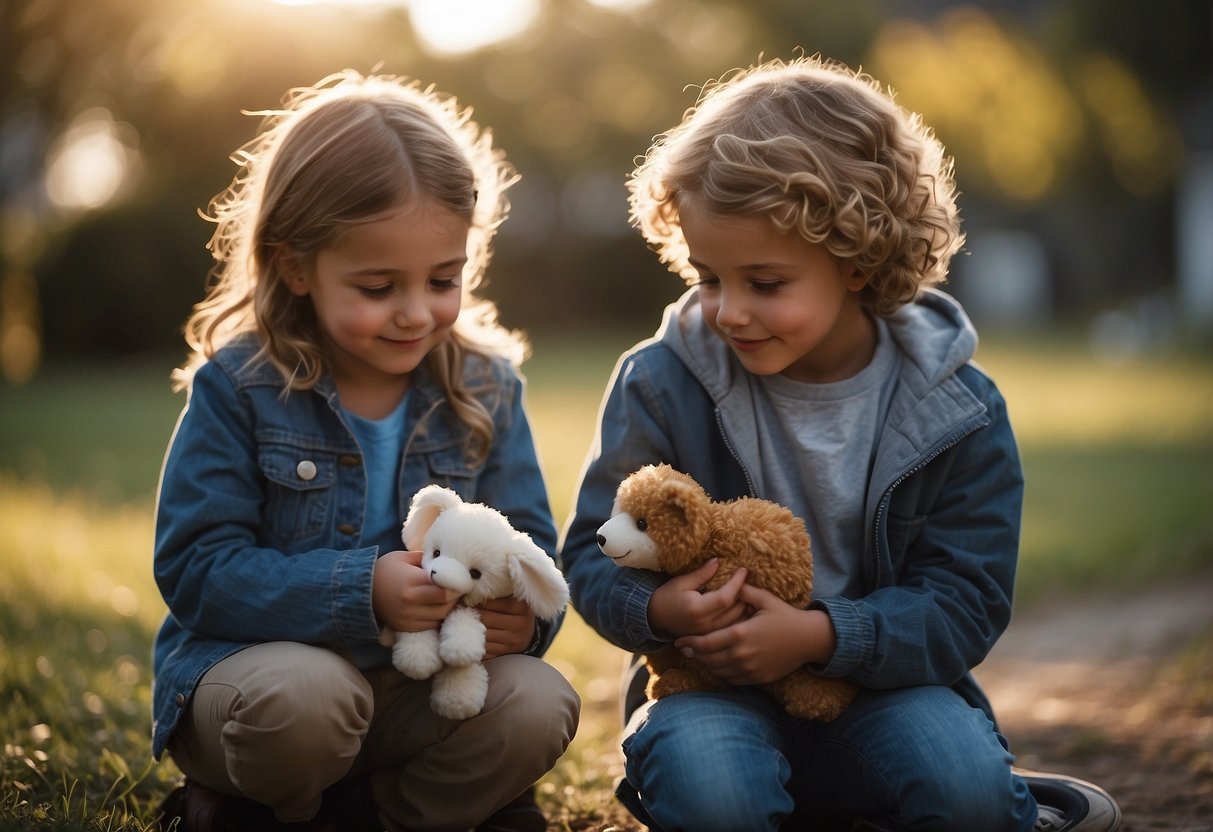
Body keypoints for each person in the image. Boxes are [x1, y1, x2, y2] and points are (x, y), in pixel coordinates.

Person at [559, 56, 1120, 832]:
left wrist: (821, 636)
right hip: (710, 695)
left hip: (886, 692)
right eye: (707, 275)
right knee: (714, 796)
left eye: (764, 282)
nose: (726, 311)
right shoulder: (662, 382)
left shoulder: (955, 407)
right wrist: (659, 609)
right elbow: (590, 553)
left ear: (856, 259)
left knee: (965, 792)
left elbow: (966, 601)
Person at [152, 70, 579, 832]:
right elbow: (196, 570)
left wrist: (524, 622)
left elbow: (530, 547)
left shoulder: (487, 388)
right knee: (309, 699)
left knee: (539, 702)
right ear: (294, 266)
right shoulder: (241, 386)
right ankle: (255, 798)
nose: (416, 313)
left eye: (443, 279)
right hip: (264, 690)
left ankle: (389, 815)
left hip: (420, 692)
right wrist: (361, 590)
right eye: (378, 287)